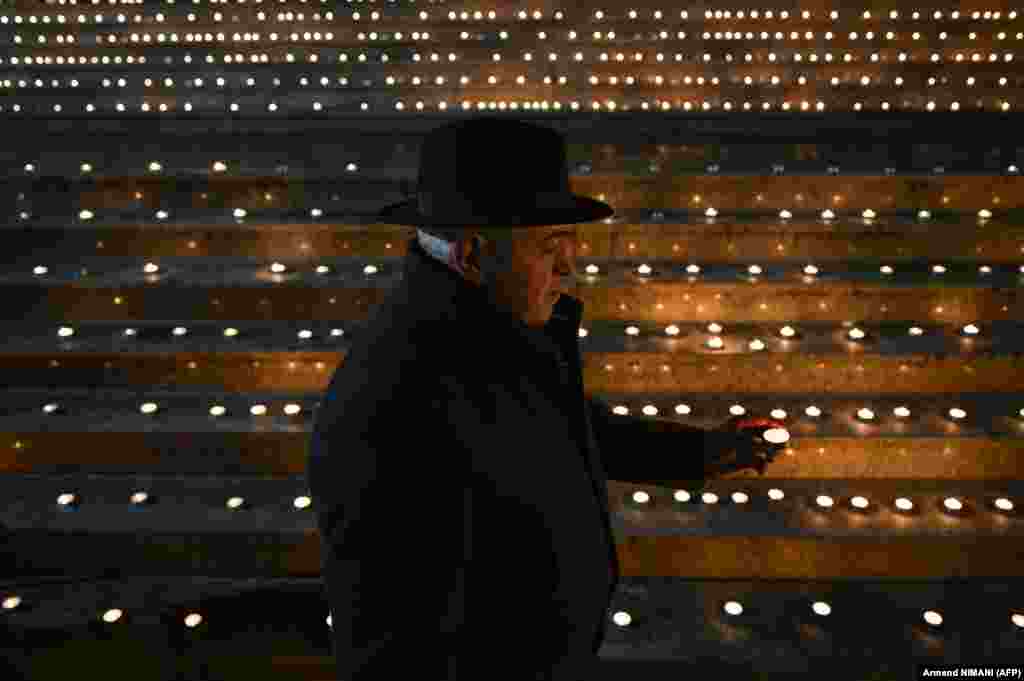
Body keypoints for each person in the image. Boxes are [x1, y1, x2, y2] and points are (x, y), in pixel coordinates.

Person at [306, 116, 786, 681]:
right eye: (550, 246)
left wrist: (702, 453)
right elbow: (397, 638)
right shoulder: (401, 397)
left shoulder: (495, 328)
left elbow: (572, 428)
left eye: (571, 245)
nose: (569, 267)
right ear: (474, 253)